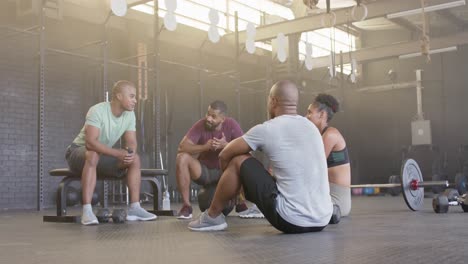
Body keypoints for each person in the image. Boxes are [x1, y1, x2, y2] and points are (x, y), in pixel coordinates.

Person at [188, 80, 333, 233]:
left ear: (273, 101)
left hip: (291, 220)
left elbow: (225, 154)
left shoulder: (268, 129)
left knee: (238, 159)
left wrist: (232, 187)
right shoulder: (311, 128)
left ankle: (212, 217)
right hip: (322, 218)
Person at [65, 80, 157, 225]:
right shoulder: (97, 110)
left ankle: (135, 208)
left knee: (135, 159)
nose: (135, 101)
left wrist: (129, 153)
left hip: (102, 156)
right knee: (93, 153)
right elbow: (90, 143)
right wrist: (117, 153)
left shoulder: (129, 115)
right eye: (132, 96)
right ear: (119, 96)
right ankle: (87, 211)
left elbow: (131, 141)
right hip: (77, 153)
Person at [175, 100, 263, 219]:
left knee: (243, 159)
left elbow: (247, 151)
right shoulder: (201, 125)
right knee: (182, 157)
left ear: (222, 119)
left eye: (213, 116)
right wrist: (205, 147)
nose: (208, 118)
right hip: (204, 172)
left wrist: (225, 145)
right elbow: (182, 147)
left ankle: (241, 205)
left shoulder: (231, 124)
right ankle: (186, 206)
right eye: (208, 114)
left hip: (226, 172)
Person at [306, 94, 351, 217]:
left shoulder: (330, 135)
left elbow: (312, 168)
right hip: (325, 195)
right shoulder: (320, 136)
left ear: (321, 115)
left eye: (310, 112)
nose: (306, 116)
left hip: (337, 202)